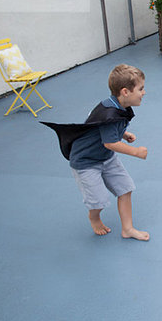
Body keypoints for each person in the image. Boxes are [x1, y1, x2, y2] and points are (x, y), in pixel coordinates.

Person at [42, 64, 149, 240]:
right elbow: (109, 143)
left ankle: (128, 229)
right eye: (141, 89)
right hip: (86, 162)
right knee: (98, 200)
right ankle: (94, 217)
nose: (144, 92)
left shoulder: (117, 106)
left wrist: (123, 134)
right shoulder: (109, 114)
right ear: (125, 92)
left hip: (106, 158)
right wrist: (136, 152)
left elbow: (105, 129)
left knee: (125, 189)